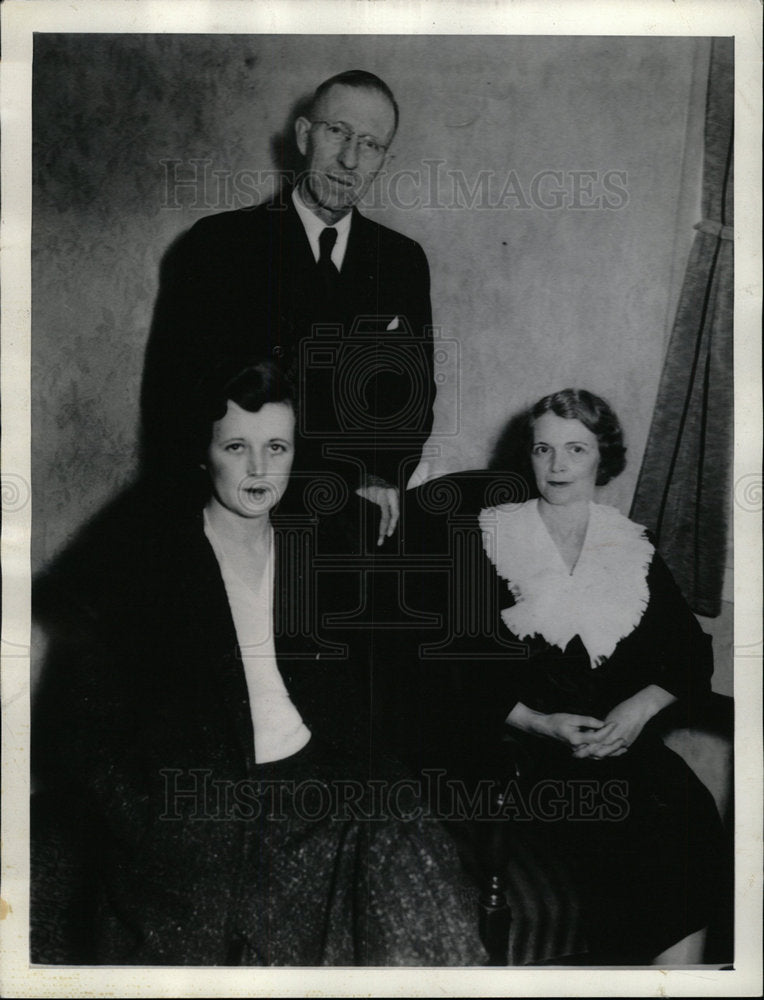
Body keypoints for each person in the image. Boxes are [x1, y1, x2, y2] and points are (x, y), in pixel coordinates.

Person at [31, 360, 485, 966]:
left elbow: (379, 684)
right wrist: (153, 821)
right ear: (203, 454)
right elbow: (80, 729)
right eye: (236, 447)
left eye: (276, 446)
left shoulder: (321, 546)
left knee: (413, 851)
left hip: (316, 789)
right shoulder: (140, 565)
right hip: (195, 809)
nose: (258, 468)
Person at [470, 388, 726, 964]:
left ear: (601, 458)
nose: (558, 466)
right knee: (625, 836)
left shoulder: (629, 545)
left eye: (576, 449)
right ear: (528, 456)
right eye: (544, 449)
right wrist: (539, 722)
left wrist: (639, 709)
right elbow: (453, 669)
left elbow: (686, 651)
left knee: (687, 813)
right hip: (522, 756)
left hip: (622, 749)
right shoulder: (488, 538)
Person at [141, 69, 435, 546]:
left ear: (384, 158)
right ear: (304, 135)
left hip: (352, 514)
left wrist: (380, 474)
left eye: (370, 144)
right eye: (336, 131)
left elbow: (414, 395)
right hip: (237, 510)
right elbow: (176, 397)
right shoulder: (218, 245)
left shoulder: (401, 262)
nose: (349, 159)